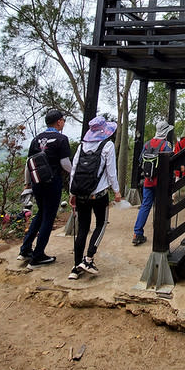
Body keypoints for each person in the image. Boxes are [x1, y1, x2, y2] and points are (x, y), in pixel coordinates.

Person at [68, 116, 121, 280]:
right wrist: (117, 191)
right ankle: (89, 259)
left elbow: (74, 169)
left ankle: (76, 268)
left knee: (83, 228)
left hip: (81, 193)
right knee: (101, 224)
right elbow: (111, 172)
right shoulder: (108, 145)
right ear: (105, 130)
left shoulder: (82, 146)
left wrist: (72, 193)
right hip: (99, 194)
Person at [18, 109, 72, 267]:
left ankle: (25, 249)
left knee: (41, 214)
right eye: (63, 120)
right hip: (52, 182)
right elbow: (65, 163)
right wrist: (76, 173)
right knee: (48, 217)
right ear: (59, 122)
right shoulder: (61, 139)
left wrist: (27, 184)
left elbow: (29, 164)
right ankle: (38, 255)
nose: (63, 123)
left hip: (37, 183)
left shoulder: (36, 139)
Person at [132, 119, 173, 246]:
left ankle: (137, 233)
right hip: (161, 182)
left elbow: (140, 160)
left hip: (148, 181)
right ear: (165, 132)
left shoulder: (147, 144)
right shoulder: (166, 145)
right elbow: (171, 162)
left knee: (145, 206)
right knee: (163, 205)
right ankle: (162, 229)